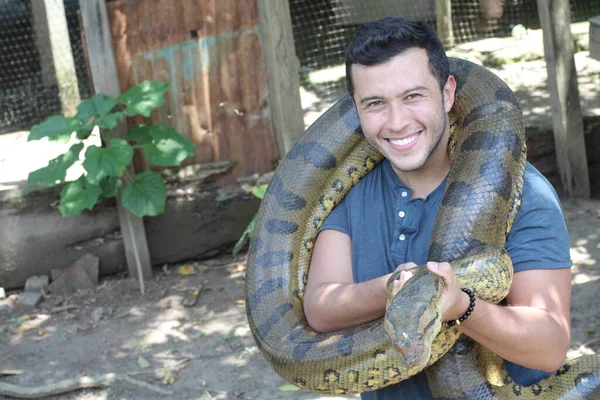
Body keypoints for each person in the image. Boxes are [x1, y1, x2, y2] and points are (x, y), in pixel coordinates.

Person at [302, 16, 572, 399]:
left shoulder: (525, 190)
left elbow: (549, 347)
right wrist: (398, 289)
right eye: (375, 103)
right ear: (356, 110)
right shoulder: (350, 196)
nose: (397, 122)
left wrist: (461, 306)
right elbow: (320, 309)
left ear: (448, 94)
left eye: (413, 96)